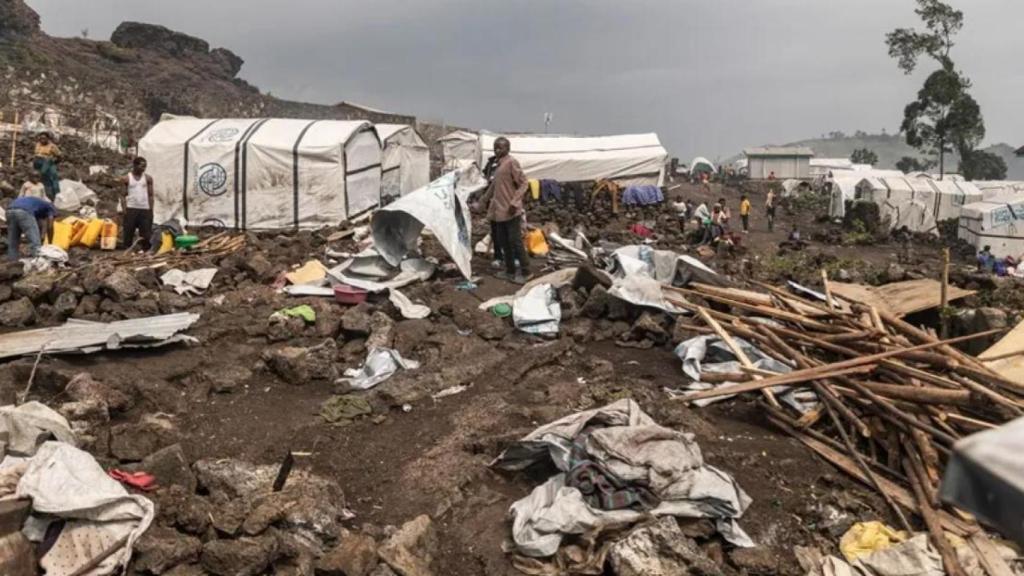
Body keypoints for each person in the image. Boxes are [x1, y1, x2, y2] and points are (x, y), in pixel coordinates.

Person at [482, 137, 530, 282]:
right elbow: (493, 187)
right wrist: (482, 201)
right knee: (504, 242)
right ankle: (509, 271)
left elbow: (524, 183)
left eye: (500, 147)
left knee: (515, 241)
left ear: (507, 149)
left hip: (510, 210)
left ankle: (526, 272)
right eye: (495, 147)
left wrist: (515, 201)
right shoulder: (498, 165)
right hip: (499, 211)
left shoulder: (511, 162)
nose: (497, 150)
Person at [5, 196, 57, 261]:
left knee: (13, 242)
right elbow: (50, 226)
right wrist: (50, 243)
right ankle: (38, 263)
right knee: (35, 243)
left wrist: (42, 236)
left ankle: (12, 263)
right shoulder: (50, 207)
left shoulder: (38, 205)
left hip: (9, 211)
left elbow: (40, 224)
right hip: (24, 212)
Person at [121, 157, 155, 251]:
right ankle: (127, 250)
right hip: (131, 207)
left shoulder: (148, 178)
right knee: (128, 231)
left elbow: (151, 195)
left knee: (145, 233)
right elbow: (122, 196)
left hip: (144, 208)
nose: (144, 168)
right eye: (142, 166)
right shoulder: (126, 178)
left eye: (145, 166)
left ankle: (145, 251)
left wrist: (150, 210)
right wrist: (124, 210)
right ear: (135, 165)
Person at [32, 132, 62, 201]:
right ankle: (39, 196)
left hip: (47, 163)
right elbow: (36, 154)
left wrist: (53, 163)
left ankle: (52, 197)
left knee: (50, 179)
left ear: (48, 139)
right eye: (41, 138)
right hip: (37, 164)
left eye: (44, 138)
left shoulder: (52, 146)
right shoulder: (38, 144)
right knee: (38, 179)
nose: (42, 140)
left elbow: (59, 156)